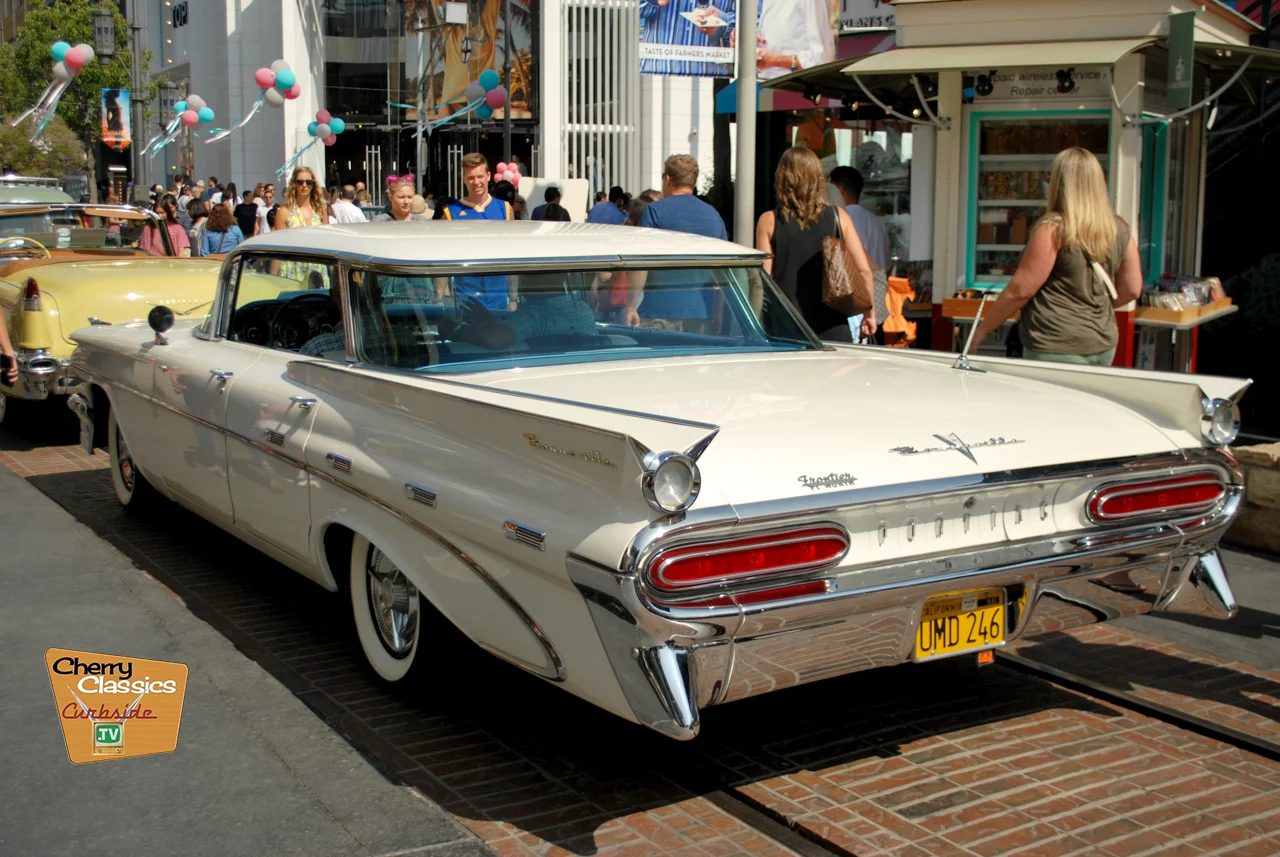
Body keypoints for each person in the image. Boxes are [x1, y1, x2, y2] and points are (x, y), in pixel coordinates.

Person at [969, 147, 1141, 365]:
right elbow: (1133, 289)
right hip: (1103, 342)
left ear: (1059, 183)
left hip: (1054, 340)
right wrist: (1091, 311)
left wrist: (982, 330)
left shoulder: (1052, 229)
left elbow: (1020, 291)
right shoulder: (1120, 229)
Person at [755, 148, 876, 342]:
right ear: (817, 179)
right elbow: (864, 271)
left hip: (785, 326)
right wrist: (869, 314)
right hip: (833, 325)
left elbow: (762, 281)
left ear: (782, 178)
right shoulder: (838, 217)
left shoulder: (769, 221)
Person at [625, 155, 727, 329]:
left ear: (668, 179)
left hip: (659, 309)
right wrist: (718, 312)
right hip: (700, 311)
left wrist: (631, 306)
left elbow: (641, 263)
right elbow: (723, 271)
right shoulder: (713, 216)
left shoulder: (655, 211)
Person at [441, 153, 514, 310]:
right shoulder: (451, 213)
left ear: (488, 176)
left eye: (480, 176)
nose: (476, 182)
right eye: (471, 177)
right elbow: (442, 256)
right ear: (464, 179)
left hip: (499, 299)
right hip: (465, 300)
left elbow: (513, 254)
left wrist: (514, 298)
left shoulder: (505, 209)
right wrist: (441, 297)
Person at [829, 165, 891, 335]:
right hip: (876, 304)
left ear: (840, 189)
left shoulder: (841, 220)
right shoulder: (877, 223)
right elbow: (885, 265)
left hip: (852, 308)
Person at [273, 167, 328, 233]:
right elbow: (279, 238)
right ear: (294, 184)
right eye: (300, 182)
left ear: (313, 184)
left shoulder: (320, 210)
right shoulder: (283, 212)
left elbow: (326, 236)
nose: (304, 185)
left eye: (308, 182)